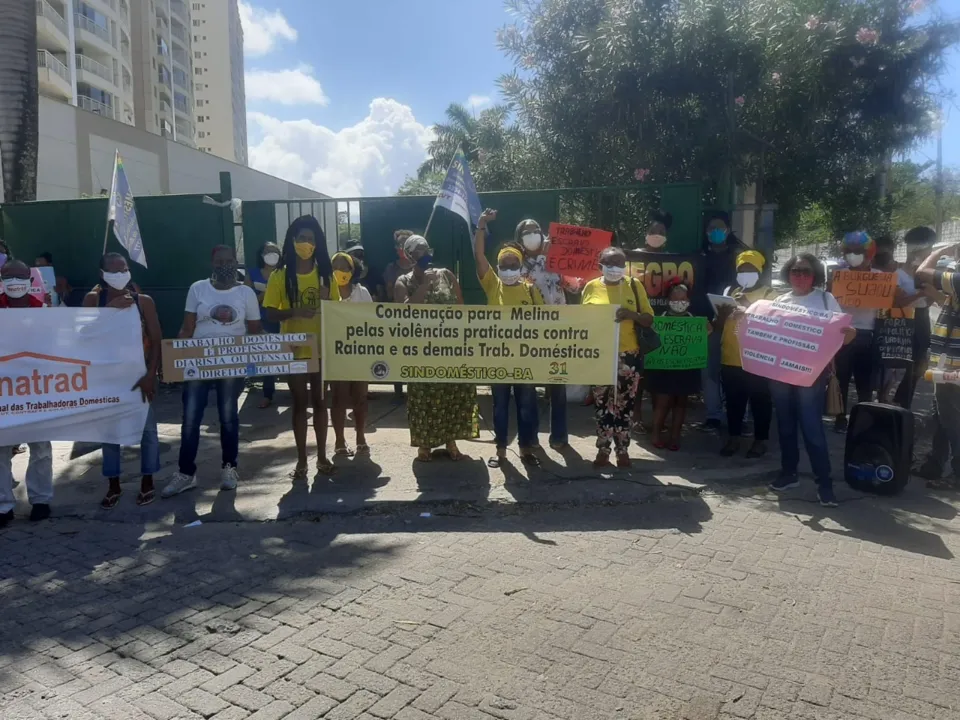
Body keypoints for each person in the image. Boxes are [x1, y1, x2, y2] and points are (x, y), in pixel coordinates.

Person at [162, 245, 262, 498]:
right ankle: (186, 473)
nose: (224, 264)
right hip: (198, 362)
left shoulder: (246, 292)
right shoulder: (198, 288)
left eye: (229, 261)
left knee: (228, 417)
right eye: (219, 261)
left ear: (235, 262)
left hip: (232, 363)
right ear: (211, 262)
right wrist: (173, 360)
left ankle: (229, 468)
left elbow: (255, 329)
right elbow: (187, 327)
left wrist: (275, 351)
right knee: (191, 418)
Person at [769, 254, 856, 507]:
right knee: (785, 426)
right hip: (780, 374)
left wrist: (850, 334)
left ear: (815, 274)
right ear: (788, 273)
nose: (799, 276)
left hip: (811, 375)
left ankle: (825, 484)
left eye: (805, 271)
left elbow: (842, 338)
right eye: (795, 270)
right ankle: (789, 473)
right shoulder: (779, 301)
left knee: (812, 429)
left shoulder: (825, 299)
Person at [83, 253, 163, 508]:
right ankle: (113, 484)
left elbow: (157, 339)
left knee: (148, 431)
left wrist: (151, 375)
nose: (120, 274)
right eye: (114, 270)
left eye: (124, 269)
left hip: (140, 376)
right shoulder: (93, 300)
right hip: (107, 378)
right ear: (102, 274)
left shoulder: (143, 302)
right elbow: (83, 336)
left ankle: (147, 480)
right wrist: (108, 311)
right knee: (110, 434)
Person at [264, 216, 336, 477]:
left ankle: (322, 457)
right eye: (302, 239)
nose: (306, 243)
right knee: (299, 404)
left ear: (318, 244)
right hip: (293, 348)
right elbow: (270, 314)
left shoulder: (326, 276)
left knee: (319, 401)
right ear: (292, 241)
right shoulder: (280, 275)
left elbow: (338, 314)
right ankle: (301, 461)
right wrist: (294, 312)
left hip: (320, 349)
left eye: (311, 239)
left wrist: (328, 303)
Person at [394, 234, 478, 462]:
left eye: (426, 248)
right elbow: (402, 313)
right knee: (423, 398)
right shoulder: (404, 281)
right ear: (410, 255)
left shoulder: (446, 275)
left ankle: (451, 441)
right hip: (421, 352)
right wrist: (423, 286)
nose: (425, 253)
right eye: (419, 250)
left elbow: (460, 308)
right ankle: (424, 445)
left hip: (449, 349)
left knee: (451, 395)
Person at [475, 210, 544, 468]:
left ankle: (526, 449)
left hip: (526, 359)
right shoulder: (493, 285)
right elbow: (479, 256)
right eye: (503, 265)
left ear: (520, 267)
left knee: (527, 405)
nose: (508, 269)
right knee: (500, 406)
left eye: (513, 265)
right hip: (498, 359)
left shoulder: (530, 289)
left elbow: (546, 323)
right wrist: (481, 226)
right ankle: (501, 451)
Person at [581, 246, 655, 468]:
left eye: (620, 264)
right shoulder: (591, 287)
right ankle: (603, 449)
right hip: (600, 353)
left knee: (624, 405)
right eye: (610, 264)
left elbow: (648, 319)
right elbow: (582, 321)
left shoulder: (634, 285)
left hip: (628, 355)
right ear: (600, 265)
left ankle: (622, 450)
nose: (615, 269)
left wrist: (630, 315)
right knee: (603, 405)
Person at [0, 259, 54, 527]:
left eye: (19, 277)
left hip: (36, 389)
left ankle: (41, 500)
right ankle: (3, 506)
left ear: (30, 281)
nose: (14, 282)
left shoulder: (44, 311)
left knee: (41, 447)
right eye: (7, 277)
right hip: (3, 391)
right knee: (0, 449)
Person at [516, 217, 576, 451]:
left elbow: (573, 286)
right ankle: (531, 438)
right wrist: (543, 258)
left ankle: (559, 436)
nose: (533, 235)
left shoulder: (557, 260)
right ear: (520, 237)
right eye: (527, 231)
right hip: (530, 334)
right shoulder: (516, 262)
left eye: (536, 230)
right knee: (529, 388)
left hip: (559, 332)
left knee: (558, 385)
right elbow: (522, 282)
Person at [714, 250, 775, 457]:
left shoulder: (770, 294)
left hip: (757, 357)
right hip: (731, 355)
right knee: (733, 400)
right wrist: (722, 313)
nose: (745, 272)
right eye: (742, 269)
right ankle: (734, 438)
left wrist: (748, 306)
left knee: (760, 399)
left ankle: (760, 440)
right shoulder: (730, 291)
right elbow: (719, 325)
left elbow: (774, 324)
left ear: (759, 270)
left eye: (750, 268)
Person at [914, 243, 960, 488]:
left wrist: (939, 250)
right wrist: (933, 295)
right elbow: (951, 305)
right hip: (948, 363)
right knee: (941, 413)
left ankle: (957, 474)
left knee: (952, 420)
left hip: (954, 364)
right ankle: (934, 464)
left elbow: (922, 271)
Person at [646, 280, 708, 451]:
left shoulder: (694, 321)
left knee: (681, 403)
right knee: (662, 402)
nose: (679, 302)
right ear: (668, 300)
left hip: (686, 368)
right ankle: (656, 434)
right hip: (663, 367)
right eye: (675, 298)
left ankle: (675, 436)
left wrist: (707, 328)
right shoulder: (659, 318)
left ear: (688, 301)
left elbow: (706, 334)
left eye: (683, 299)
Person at [830, 231, 878, 432]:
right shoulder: (838, 277)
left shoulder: (881, 278)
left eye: (858, 251)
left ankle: (863, 419)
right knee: (841, 378)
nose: (852, 255)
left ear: (869, 254)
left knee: (864, 381)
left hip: (869, 334)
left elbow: (892, 301)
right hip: (843, 333)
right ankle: (840, 418)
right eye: (848, 251)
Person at [631, 210, 674, 433]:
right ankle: (636, 415)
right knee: (639, 371)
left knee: (659, 372)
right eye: (653, 231)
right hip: (637, 321)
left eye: (661, 232)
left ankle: (658, 419)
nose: (656, 235)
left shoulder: (673, 260)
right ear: (645, 234)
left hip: (663, 321)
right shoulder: (633, 258)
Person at [700, 211, 741, 431]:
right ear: (706, 233)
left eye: (720, 228)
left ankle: (740, 417)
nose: (716, 232)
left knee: (737, 371)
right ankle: (713, 415)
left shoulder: (738, 257)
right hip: (709, 324)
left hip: (737, 321)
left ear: (727, 230)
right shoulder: (699, 258)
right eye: (711, 229)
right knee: (710, 371)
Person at [330, 251, 372, 457]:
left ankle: (360, 435)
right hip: (336, 353)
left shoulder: (362, 293)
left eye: (345, 267)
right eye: (336, 266)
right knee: (338, 398)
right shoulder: (325, 291)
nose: (341, 271)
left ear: (353, 270)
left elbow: (372, 321)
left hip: (360, 353)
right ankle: (339, 439)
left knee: (360, 397)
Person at [894, 226, 940, 408]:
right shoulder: (898, 275)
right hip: (903, 320)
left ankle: (903, 401)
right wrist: (920, 293)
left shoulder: (926, 274)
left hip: (921, 319)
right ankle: (893, 400)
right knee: (902, 364)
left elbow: (930, 302)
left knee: (919, 364)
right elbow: (900, 302)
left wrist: (929, 291)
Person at [245, 242, 282, 408]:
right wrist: (265, 294)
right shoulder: (252, 274)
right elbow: (246, 300)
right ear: (261, 255)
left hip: (281, 319)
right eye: (268, 251)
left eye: (275, 251)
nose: (272, 254)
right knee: (266, 357)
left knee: (286, 354)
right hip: (261, 319)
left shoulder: (283, 273)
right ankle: (268, 393)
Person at [383, 230, 415, 400]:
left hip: (416, 320)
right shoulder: (391, 268)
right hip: (396, 318)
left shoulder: (419, 268)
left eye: (404, 245)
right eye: (398, 245)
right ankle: (397, 391)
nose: (400, 249)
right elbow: (390, 294)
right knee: (397, 355)